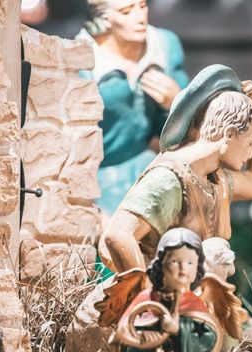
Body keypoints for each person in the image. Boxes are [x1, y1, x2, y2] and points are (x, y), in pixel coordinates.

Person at [98, 64, 252, 274]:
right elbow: (117, 236)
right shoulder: (170, 179)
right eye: (251, 143)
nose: (251, 155)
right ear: (228, 133)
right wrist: (147, 289)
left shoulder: (214, 180)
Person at [79, 0, 188, 215]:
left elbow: (189, 129)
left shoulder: (163, 45)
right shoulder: (83, 59)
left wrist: (175, 103)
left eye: (142, 5)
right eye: (126, 11)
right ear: (105, 18)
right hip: (99, 180)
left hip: (148, 166)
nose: (140, 17)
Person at [114, 228, 222, 352]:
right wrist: (148, 331)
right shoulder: (146, 298)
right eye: (175, 261)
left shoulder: (193, 304)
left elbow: (209, 337)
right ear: (161, 263)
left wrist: (180, 329)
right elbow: (123, 331)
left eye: (190, 262)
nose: (183, 269)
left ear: (198, 268)